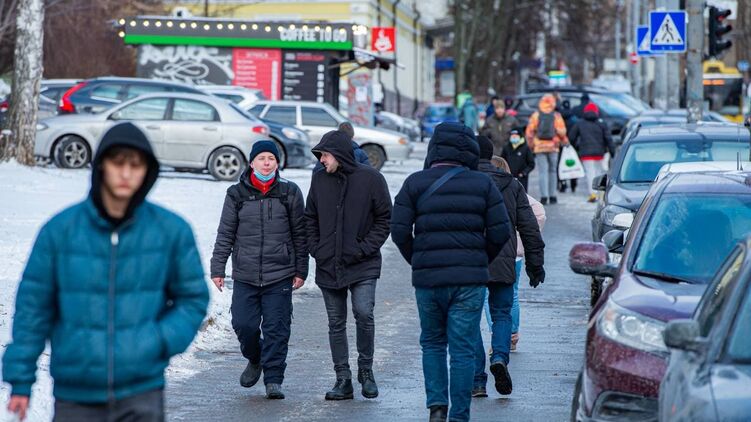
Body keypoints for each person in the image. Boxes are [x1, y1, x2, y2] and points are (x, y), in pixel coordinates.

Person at [3, 122, 210, 421]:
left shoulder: (170, 232)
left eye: (136, 165)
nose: (126, 173)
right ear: (101, 165)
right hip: (76, 394)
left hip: (142, 392)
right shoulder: (60, 232)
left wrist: (159, 340)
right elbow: (33, 309)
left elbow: (193, 299)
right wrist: (21, 379)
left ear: (147, 171)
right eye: (118, 162)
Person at [391, 122, 511, 422]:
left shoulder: (414, 183)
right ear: (468, 150)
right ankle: (459, 415)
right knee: (463, 348)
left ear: (434, 149)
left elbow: (399, 231)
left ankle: (436, 408)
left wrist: (418, 260)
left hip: (429, 280)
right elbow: (501, 231)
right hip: (469, 281)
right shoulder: (483, 185)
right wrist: (480, 260)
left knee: (432, 342)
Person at [210, 140, 308, 400]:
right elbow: (225, 233)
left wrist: (301, 269)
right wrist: (217, 267)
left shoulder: (289, 192)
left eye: (271, 159)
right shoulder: (236, 194)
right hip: (246, 273)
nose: (267, 163)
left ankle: (274, 380)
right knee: (244, 324)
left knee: (277, 328)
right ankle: (255, 358)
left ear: (278, 163)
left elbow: (300, 234)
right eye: (262, 158)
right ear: (251, 162)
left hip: (280, 274)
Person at [304, 130, 392, 401]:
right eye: (320, 156)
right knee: (335, 322)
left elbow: (385, 218)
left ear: (340, 155)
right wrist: (317, 249)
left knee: (364, 313)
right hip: (329, 263)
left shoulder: (371, 179)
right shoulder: (319, 179)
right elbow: (310, 217)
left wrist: (365, 248)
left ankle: (366, 372)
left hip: (363, 263)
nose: (321, 160)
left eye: (325, 155)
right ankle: (343, 379)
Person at [471, 137, 545, 399]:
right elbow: (529, 226)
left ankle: (477, 381)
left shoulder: (464, 183)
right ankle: (500, 357)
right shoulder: (512, 185)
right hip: (504, 259)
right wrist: (535, 264)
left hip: (471, 261)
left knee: (469, 320)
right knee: (502, 313)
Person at [525, 94, 568, 205]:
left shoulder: (536, 115)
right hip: (553, 146)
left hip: (539, 146)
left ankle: (544, 196)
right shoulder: (556, 115)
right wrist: (563, 139)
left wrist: (531, 145)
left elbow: (529, 132)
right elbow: (562, 131)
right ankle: (552, 195)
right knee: (553, 171)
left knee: (542, 172)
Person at [569, 102, 616, 203]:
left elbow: (572, 137)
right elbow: (608, 138)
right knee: (599, 173)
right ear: (596, 112)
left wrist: (576, 147)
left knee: (590, 173)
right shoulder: (601, 123)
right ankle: (600, 194)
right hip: (600, 154)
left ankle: (592, 193)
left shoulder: (580, 123)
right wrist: (612, 151)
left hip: (586, 154)